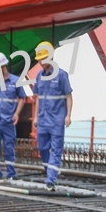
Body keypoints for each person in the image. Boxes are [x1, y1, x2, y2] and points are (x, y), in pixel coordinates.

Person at [32, 41, 73, 191]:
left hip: (57, 120)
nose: (40, 62)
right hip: (43, 119)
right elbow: (38, 99)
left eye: (43, 59)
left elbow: (68, 96)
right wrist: (36, 117)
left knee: (56, 150)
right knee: (43, 148)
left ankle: (51, 179)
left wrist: (68, 115)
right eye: (39, 59)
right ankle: (50, 170)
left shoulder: (61, 75)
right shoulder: (39, 76)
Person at [0, 52, 27, 182]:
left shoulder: (15, 81)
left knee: (9, 147)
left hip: (8, 121)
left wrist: (16, 114)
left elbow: (22, 98)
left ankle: (11, 174)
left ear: (3, 67)